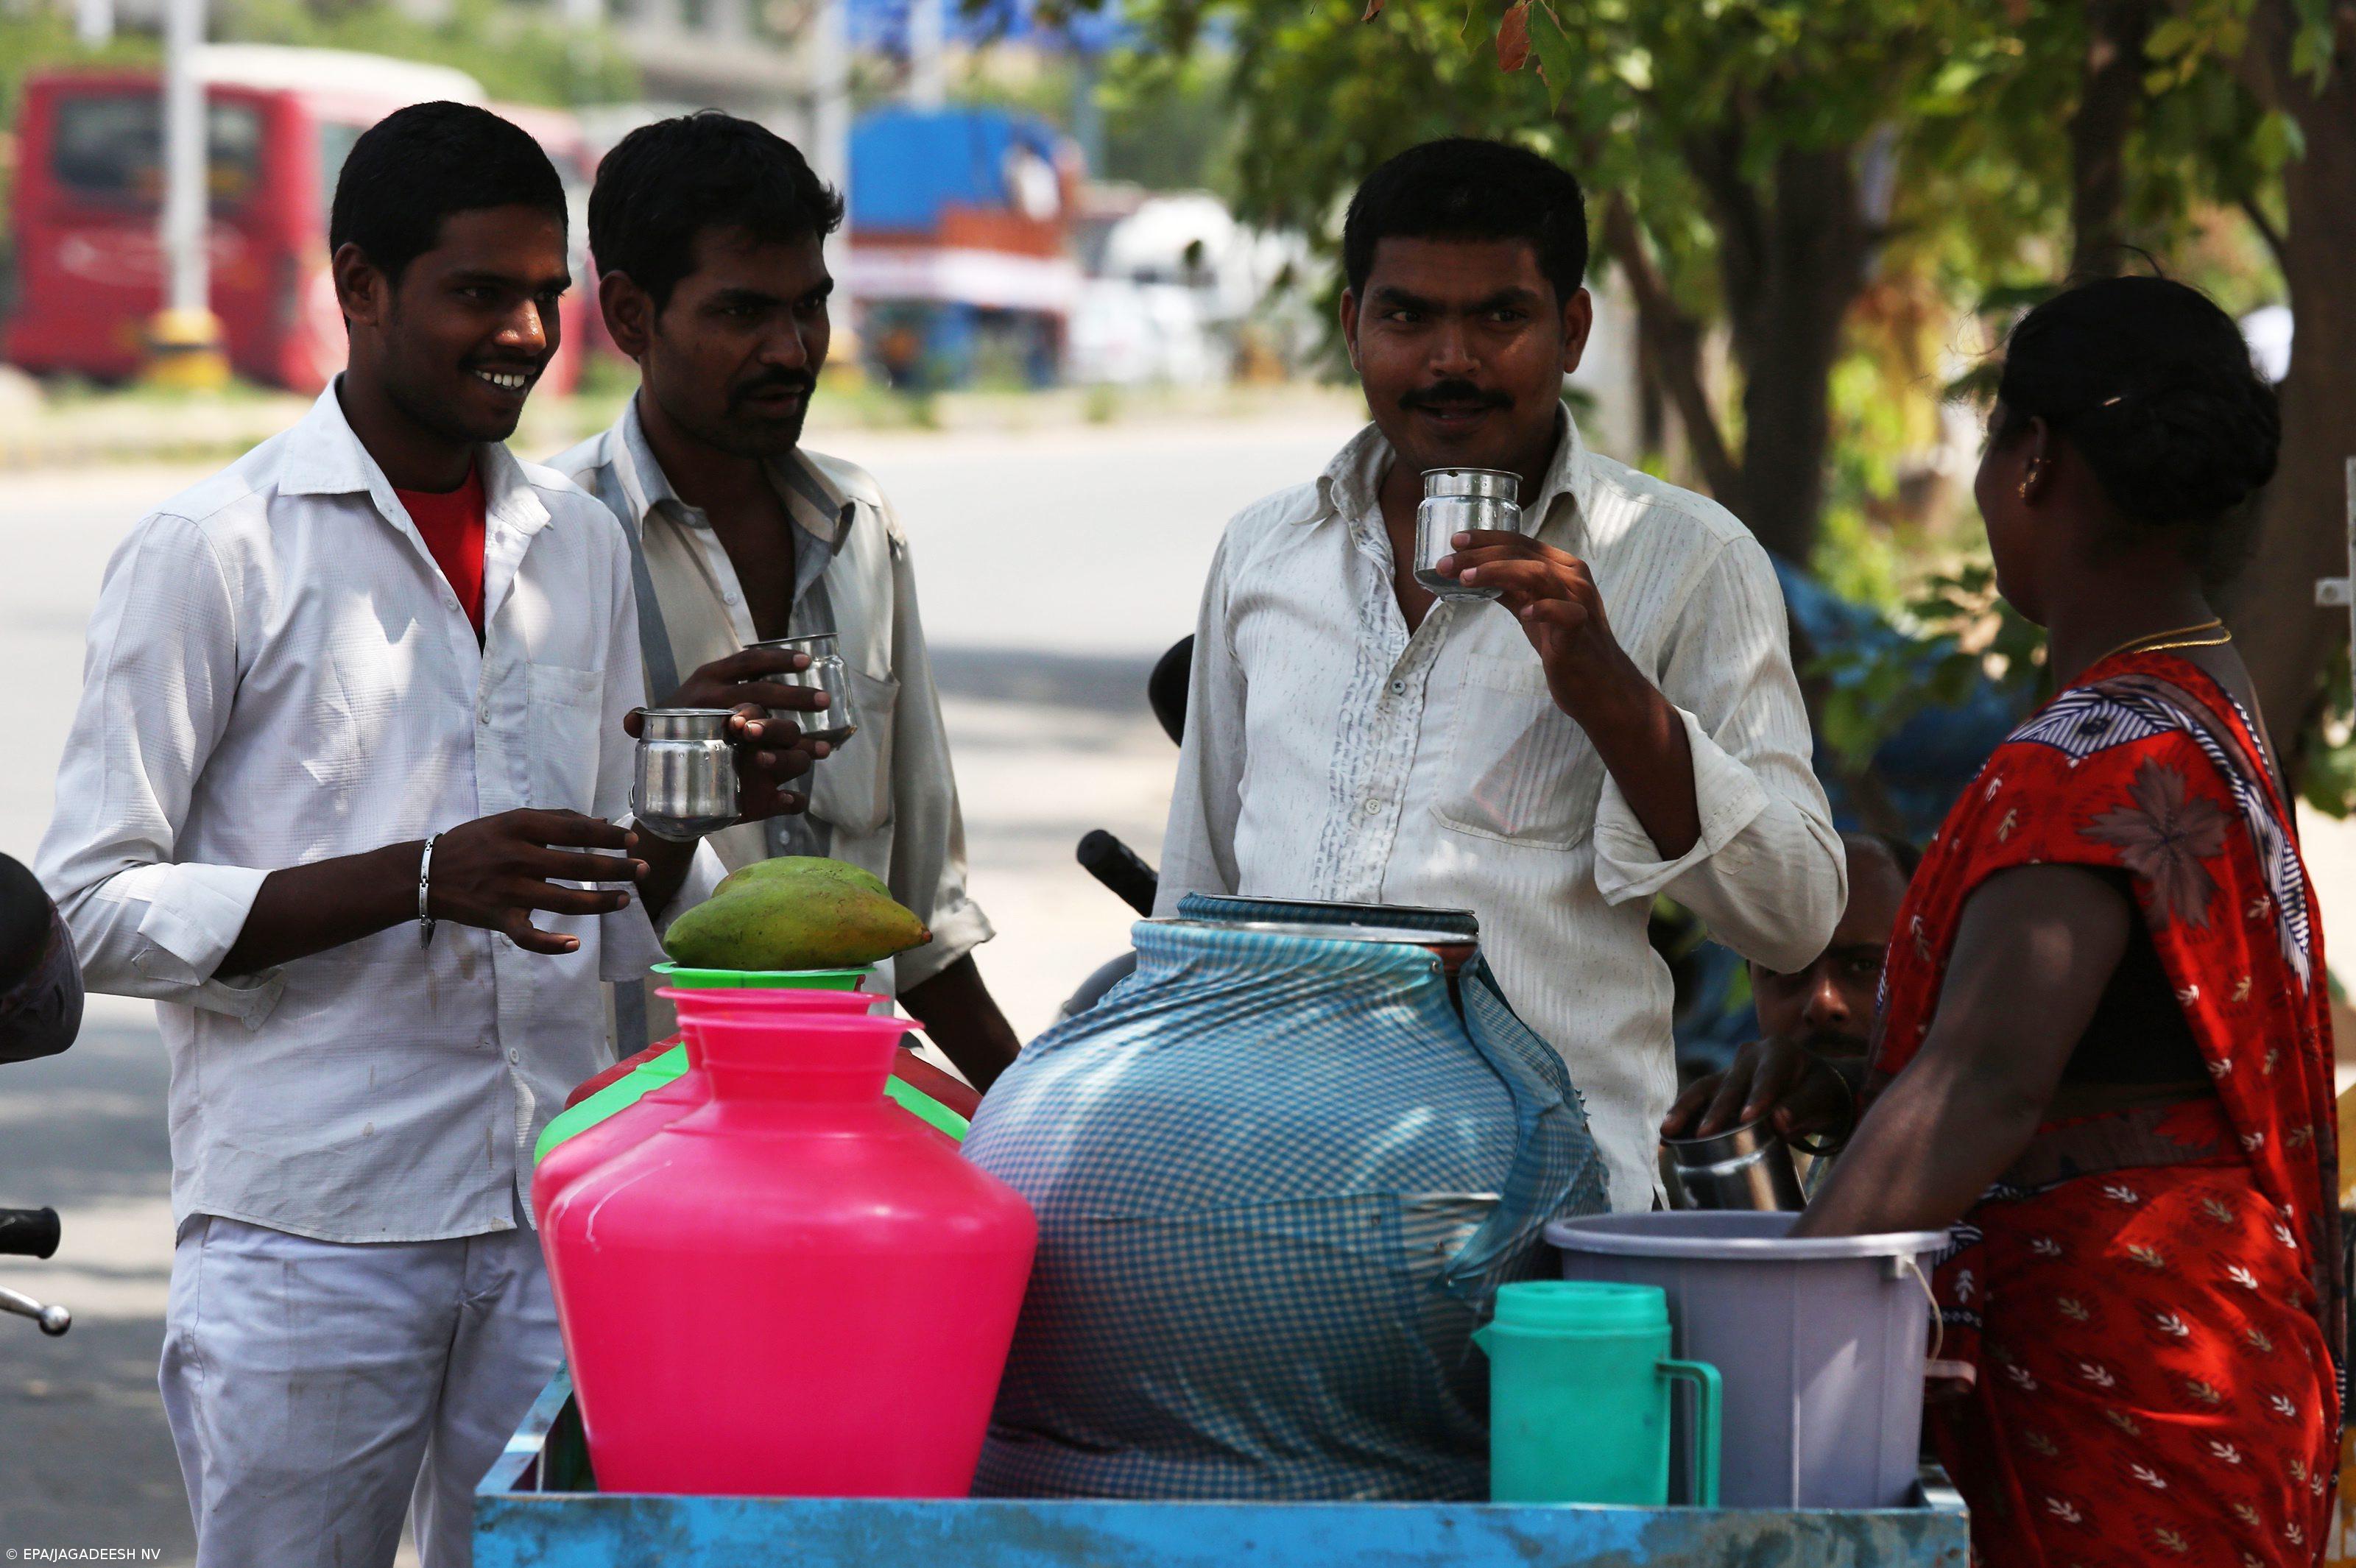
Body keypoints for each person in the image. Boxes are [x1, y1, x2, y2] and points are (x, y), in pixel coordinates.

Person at [35, 103, 803, 1568]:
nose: (522, 331)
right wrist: (426, 878)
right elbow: (88, 909)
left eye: (545, 298)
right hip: (310, 1234)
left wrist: (699, 792)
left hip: (547, 1215)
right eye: (479, 291)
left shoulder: (570, 546)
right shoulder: (218, 548)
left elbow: (606, 885)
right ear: (360, 284)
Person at [1714, 276, 2341, 1566]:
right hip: (2212, 1358)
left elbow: (1985, 1085)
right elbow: (2102, 1063)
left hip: (2122, 1378)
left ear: (2035, 459)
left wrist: (1756, 1333)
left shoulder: (2093, 759)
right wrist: (1859, 1087)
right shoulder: (2199, 705)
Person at [1154, 138, 1845, 1208]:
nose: (1451, 360)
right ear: (1352, 328)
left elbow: (1796, 914)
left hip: (1543, 1204)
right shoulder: (1266, 551)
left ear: (1571, 330)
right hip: (1279, 1191)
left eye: (1500, 317)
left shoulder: (1685, 557)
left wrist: (1613, 694)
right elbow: (1198, 897)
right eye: (1407, 317)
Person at [552, 111, 1017, 1089]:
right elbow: (533, 919)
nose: (792, 349)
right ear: (631, 316)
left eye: (810, 306)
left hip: (847, 1134)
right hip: (640, 1146)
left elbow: (920, 921)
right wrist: (674, 791)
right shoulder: (549, 545)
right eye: (741, 313)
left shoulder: (864, 527)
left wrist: (1034, 1125)